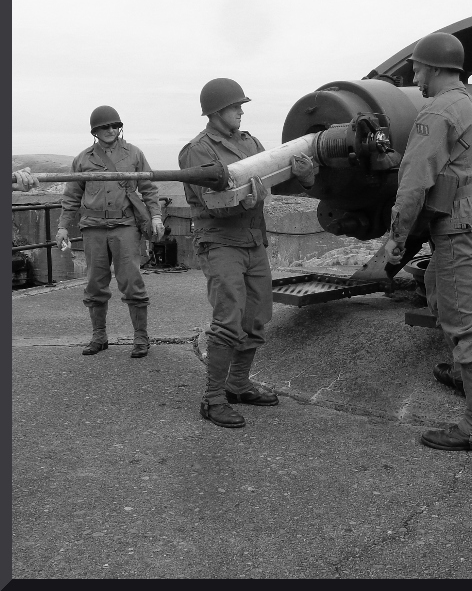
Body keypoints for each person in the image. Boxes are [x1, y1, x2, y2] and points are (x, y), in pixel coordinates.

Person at [385, 32, 472, 453]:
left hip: (460, 224)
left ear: (433, 68)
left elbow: (415, 181)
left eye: (417, 68)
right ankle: (463, 372)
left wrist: (397, 240)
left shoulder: (437, 111)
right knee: (439, 287)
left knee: (466, 322)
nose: (414, 76)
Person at [179, 78, 315, 429]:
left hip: (254, 241)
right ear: (215, 111)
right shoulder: (198, 151)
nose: (241, 110)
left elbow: (273, 177)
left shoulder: (250, 142)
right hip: (221, 243)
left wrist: (303, 177)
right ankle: (212, 400)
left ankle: (238, 384)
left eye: (241, 106)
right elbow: (207, 202)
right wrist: (244, 201)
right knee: (228, 320)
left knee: (256, 317)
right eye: (235, 106)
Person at [55, 106, 164, 358]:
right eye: (105, 126)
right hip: (93, 228)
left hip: (125, 226)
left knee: (131, 280)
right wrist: (62, 227)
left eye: (115, 126)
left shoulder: (134, 154)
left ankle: (140, 338)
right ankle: (99, 336)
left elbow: (148, 188)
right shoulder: (82, 159)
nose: (111, 130)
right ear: (95, 131)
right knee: (95, 283)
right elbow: (71, 196)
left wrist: (156, 216)